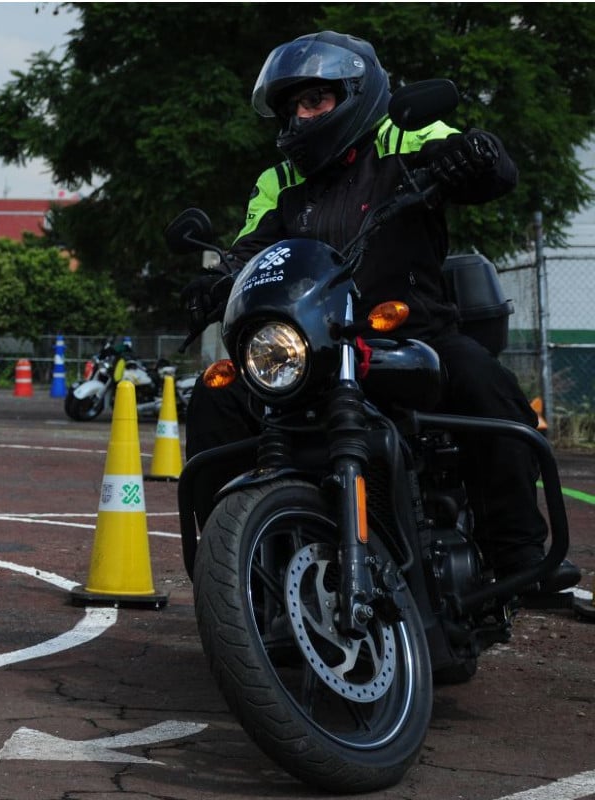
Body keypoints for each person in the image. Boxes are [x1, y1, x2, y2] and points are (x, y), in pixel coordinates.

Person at [180, 30, 579, 594]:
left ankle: (517, 555)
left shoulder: (406, 136)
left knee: (485, 385)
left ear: (355, 93)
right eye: (293, 105)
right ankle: (234, 579)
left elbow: (489, 172)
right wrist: (217, 281)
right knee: (217, 397)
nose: (301, 116)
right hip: (311, 347)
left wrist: (479, 153)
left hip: (412, 336)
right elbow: (249, 251)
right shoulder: (280, 180)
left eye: (315, 99)